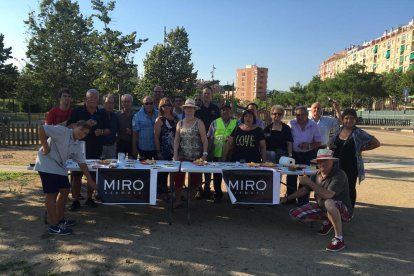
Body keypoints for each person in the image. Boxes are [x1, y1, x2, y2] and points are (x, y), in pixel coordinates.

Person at [280, 148, 353, 252]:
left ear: (332, 161)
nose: (323, 163)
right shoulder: (316, 174)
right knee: (294, 214)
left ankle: (339, 239)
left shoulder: (339, 174)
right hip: (322, 206)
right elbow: (305, 190)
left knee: (329, 202)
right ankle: (329, 220)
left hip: (342, 209)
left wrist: (309, 182)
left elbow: (328, 195)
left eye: (326, 160)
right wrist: (287, 198)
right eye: (320, 161)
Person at [34, 120, 97, 235]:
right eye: (81, 130)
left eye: (85, 133)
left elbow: (82, 163)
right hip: (47, 163)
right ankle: (54, 225)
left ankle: (60, 219)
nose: (82, 133)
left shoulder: (77, 144)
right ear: (75, 127)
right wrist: (45, 146)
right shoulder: (62, 131)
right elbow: (42, 128)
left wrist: (90, 180)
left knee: (65, 190)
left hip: (60, 166)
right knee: (52, 194)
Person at [66, 89, 111, 211]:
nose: (93, 99)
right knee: (76, 175)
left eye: (95, 98)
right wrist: (85, 124)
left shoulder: (102, 113)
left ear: (98, 100)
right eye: (90, 97)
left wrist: (101, 131)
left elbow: (109, 129)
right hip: (78, 148)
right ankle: (75, 200)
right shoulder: (77, 111)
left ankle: (89, 199)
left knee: (93, 174)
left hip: (95, 148)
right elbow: (69, 126)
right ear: (85, 99)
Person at [331, 108, 380, 208]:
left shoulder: (358, 132)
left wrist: (362, 149)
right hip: (336, 165)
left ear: (355, 119)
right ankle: (338, 208)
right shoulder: (338, 130)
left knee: (349, 188)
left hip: (351, 165)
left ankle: (349, 210)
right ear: (343, 119)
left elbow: (376, 143)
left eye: (352, 118)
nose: (349, 121)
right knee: (336, 186)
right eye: (346, 118)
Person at [173, 99, 208, 208]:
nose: (189, 110)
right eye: (187, 108)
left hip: (196, 157)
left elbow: (204, 140)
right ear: (184, 109)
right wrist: (175, 154)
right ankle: (178, 200)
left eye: (191, 108)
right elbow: (177, 139)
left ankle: (191, 201)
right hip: (182, 156)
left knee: (195, 180)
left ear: (194, 110)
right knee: (178, 179)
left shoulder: (199, 122)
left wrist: (204, 154)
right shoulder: (180, 123)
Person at [286, 106, 321, 205]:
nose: (300, 117)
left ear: (307, 115)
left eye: (302, 115)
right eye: (297, 115)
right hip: (294, 155)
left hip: (310, 155)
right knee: (291, 177)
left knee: (307, 177)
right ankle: (290, 199)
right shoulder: (291, 123)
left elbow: (318, 141)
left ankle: (303, 200)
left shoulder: (313, 125)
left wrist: (308, 145)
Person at [207, 102, 238, 203]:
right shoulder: (215, 122)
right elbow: (210, 138)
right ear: (220, 112)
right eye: (223, 110)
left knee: (231, 176)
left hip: (231, 154)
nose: (225, 111)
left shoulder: (236, 123)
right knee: (217, 176)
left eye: (227, 110)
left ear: (230, 112)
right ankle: (218, 194)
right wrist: (209, 151)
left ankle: (232, 195)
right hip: (217, 153)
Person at [195, 87, 220, 199]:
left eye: (208, 94)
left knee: (208, 165)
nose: (206, 95)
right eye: (204, 93)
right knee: (199, 165)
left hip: (211, 141)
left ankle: (207, 188)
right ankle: (199, 189)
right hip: (199, 141)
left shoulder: (216, 109)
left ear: (211, 96)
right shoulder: (197, 109)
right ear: (202, 95)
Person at [154, 97, 179, 201]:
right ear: (161, 107)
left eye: (169, 105)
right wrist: (158, 151)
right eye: (164, 105)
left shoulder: (176, 119)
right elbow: (156, 136)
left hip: (175, 151)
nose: (167, 107)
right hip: (164, 151)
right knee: (163, 173)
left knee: (175, 173)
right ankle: (163, 193)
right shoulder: (159, 120)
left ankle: (174, 192)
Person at [101, 94, 119, 159]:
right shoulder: (98, 114)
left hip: (112, 147)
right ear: (103, 103)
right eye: (108, 102)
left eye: (112, 103)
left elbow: (117, 130)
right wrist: (102, 132)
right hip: (100, 147)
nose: (110, 105)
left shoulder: (115, 116)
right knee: (101, 167)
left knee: (112, 167)